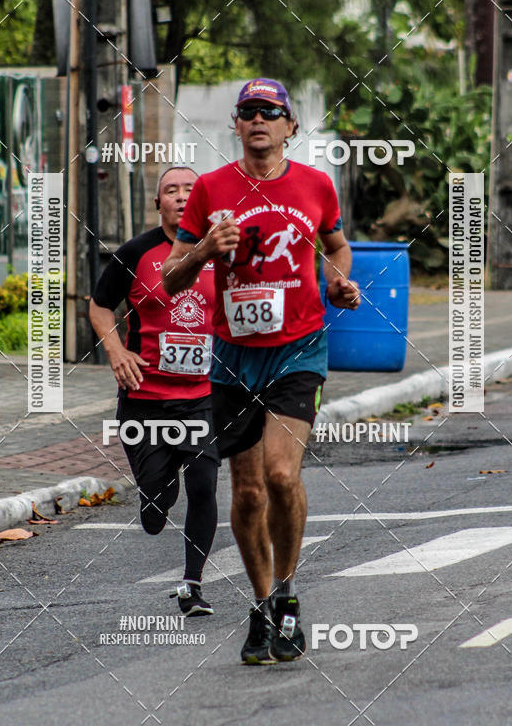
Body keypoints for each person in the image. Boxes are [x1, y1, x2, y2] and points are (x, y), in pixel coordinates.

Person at [161, 79, 360, 662]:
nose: (258, 121)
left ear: (290, 126)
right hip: (231, 357)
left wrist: (337, 280)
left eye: (270, 113)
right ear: (236, 124)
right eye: (248, 112)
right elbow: (171, 278)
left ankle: (290, 598)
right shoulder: (211, 190)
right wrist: (201, 252)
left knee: (279, 474)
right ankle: (263, 603)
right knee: (246, 491)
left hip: (297, 349)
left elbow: (338, 246)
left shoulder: (316, 185)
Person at [89, 166, 219, 617]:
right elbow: (101, 306)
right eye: (171, 190)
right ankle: (156, 495)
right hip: (144, 400)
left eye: (190, 189)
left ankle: (192, 585)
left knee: (204, 485)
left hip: (203, 397)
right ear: (158, 203)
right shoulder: (137, 252)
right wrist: (116, 351)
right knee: (156, 507)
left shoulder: (221, 252)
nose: (182, 196)